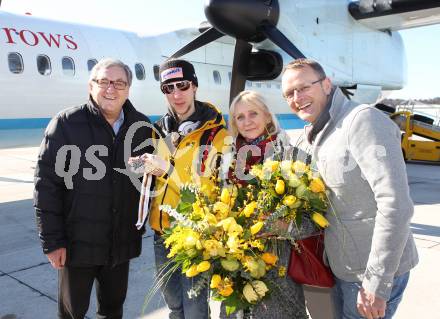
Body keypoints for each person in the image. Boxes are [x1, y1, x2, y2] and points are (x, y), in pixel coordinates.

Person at [281, 58, 418, 319]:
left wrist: (377, 282)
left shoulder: (361, 121)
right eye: (289, 93)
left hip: (370, 274)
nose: (297, 98)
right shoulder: (312, 134)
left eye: (303, 87)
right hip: (341, 268)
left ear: (327, 84)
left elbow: (396, 204)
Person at [34, 58, 154, 319]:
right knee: (71, 313)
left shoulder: (142, 128)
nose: (111, 88)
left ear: (128, 89)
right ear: (91, 86)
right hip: (77, 246)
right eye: (104, 82)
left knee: (113, 311)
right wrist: (52, 241)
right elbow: (47, 186)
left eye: (119, 83)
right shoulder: (66, 124)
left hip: (119, 244)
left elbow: (145, 179)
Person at [144, 59, 229, 319]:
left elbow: (205, 186)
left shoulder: (216, 133)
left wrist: (167, 171)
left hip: (194, 234)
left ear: (195, 86)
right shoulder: (158, 129)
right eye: (168, 88)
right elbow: (154, 178)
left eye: (182, 85)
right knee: (174, 305)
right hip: (162, 234)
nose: (176, 94)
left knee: (193, 309)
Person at [220, 90, 309, 319]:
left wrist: (279, 226)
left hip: (278, 263)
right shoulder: (230, 158)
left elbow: (310, 217)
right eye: (239, 117)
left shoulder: (289, 154)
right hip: (235, 257)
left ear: (268, 116)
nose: (247, 121)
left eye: (253, 114)